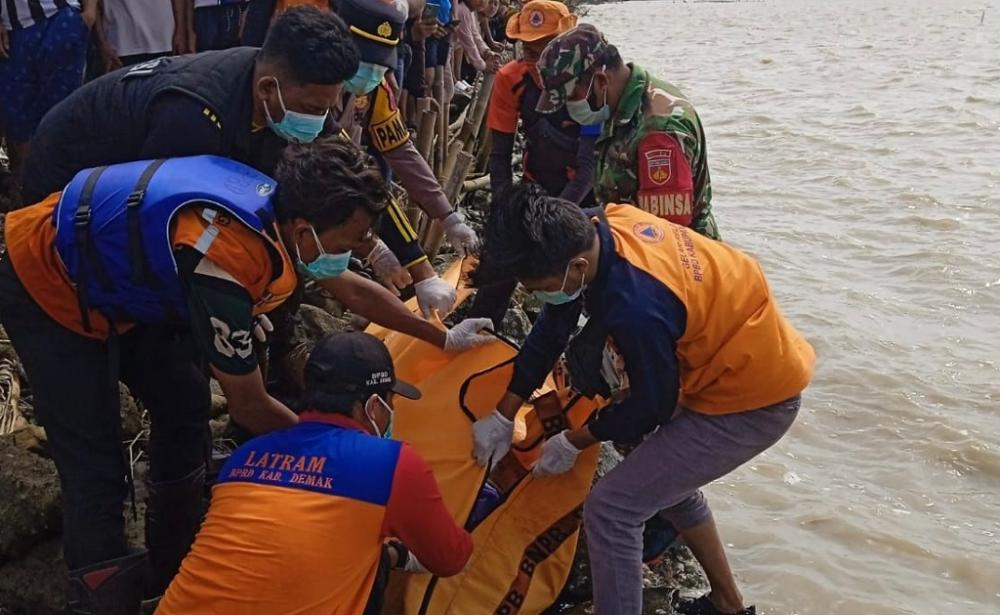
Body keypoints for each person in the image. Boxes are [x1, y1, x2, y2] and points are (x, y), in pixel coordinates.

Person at [0, 138, 489, 614]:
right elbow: (248, 404)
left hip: (124, 281)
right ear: (305, 232)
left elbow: (354, 291)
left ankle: (172, 559)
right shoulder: (227, 259)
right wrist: (334, 460)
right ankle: (99, 590)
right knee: (95, 455)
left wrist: (440, 338)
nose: (361, 250)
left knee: (186, 405)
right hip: (45, 278)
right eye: (354, 240)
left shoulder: (287, 211)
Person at [470, 185, 815, 614]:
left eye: (540, 287)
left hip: (753, 399)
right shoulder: (603, 224)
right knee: (662, 483)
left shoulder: (635, 306)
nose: (541, 296)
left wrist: (574, 440)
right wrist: (504, 414)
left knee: (613, 509)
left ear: (575, 267)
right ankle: (728, 602)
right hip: (737, 352)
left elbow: (650, 406)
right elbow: (552, 327)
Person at [158, 331, 473, 614]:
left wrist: (391, 555)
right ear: (374, 405)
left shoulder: (246, 456)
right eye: (391, 402)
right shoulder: (391, 463)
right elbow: (451, 558)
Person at [335, 0, 480, 315]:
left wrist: (447, 216)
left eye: (380, 64)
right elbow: (350, 177)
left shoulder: (375, 88)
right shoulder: (311, 87)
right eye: (366, 61)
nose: (373, 72)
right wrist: (378, 247)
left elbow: (400, 150)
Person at [535, 23, 721, 240]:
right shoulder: (619, 105)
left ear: (601, 81)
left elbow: (665, 238)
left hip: (676, 260)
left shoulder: (658, 133)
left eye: (572, 97)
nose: (569, 109)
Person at [468, 0, 591, 327]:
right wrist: (507, 214)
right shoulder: (512, 79)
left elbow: (591, 164)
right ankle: (478, 326)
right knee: (501, 259)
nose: (538, 62)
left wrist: (555, 220)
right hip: (538, 178)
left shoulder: (589, 81)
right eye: (530, 51)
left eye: (547, 49)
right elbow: (499, 155)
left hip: (585, 186)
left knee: (582, 260)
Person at [0, 0, 94, 193]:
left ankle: (61, 194)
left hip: (59, 19)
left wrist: (89, 13)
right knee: (18, 120)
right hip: (12, 30)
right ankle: (32, 194)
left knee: (61, 114)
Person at [98, 0, 176, 68]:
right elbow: (93, 7)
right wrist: (102, 44)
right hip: (123, 46)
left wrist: (180, 33)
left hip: (165, 40)